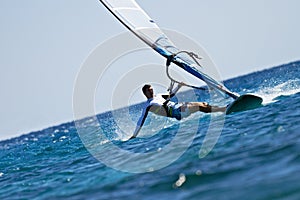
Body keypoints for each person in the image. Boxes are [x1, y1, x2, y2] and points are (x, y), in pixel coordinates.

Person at [129, 83, 226, 139]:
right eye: (148, 90)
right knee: (199, 106)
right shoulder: (148, 105)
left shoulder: (158, 96)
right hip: (177, 112)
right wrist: (134, 135)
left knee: (203, 104)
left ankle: (222, 109)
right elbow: (141, 120)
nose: (151, 91)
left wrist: (179, 86)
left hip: (179, 106)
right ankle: (223, 110)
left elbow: (171, 95)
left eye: (151, 89)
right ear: (144, 93)